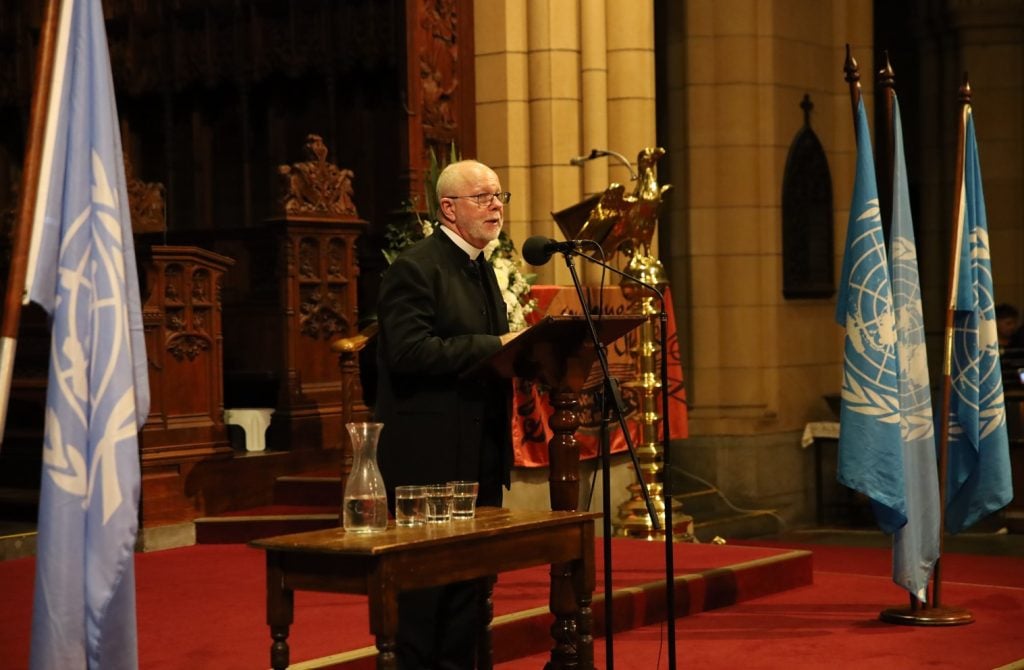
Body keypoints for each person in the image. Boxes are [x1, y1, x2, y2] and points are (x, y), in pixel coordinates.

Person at [374, 159, 519, 669]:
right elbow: (409, 353)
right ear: (448, 209)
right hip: (428, 461)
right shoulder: (415, 267)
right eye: (483, 197)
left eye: (499, 195)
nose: (496, 205)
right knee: (425, 598)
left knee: (469, 594)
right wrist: (496, 345)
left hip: (478, 453)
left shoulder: (482, 269)